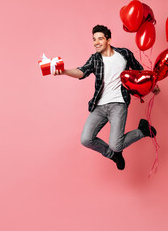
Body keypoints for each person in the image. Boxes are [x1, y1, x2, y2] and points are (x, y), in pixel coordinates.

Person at [53, 25, 160, 170]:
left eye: (100, 39)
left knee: (117, 144)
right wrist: (65, 71)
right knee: (86, 139)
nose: (96, 42)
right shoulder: (95, 59)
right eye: (94, 39)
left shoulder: (124, 54)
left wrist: (152, 86)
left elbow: (139, 71)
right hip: (99, 106)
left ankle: (142, 131)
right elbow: (82, 71)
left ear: (108, 40)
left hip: (119, 104)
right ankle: (113, 155)